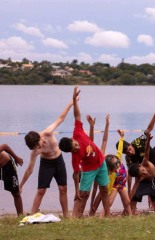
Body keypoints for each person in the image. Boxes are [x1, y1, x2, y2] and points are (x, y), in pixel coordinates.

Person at [59, 86, 110, 218]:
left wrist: (74, 100)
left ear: (72, 139)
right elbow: (76, 175)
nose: (76, 149)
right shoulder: (75, 156)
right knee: (83, 195)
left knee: (104, 189)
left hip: (101, 162)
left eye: (75, 146)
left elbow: (77, 115)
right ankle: (77, 217)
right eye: (73, 150)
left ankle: (108, 216)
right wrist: (76, 191)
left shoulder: (77, 132)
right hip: (89, 170)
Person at [20, 100, 75, 218]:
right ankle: (32, 214)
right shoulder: (35, 151)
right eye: (34, 147)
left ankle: (66, 215)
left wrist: (71, 103)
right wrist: (21, 185)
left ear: (39, 138)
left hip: (58, 160)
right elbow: (29, 170)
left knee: (63, 188)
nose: (37, 148)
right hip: (46, 164)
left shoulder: (48, 132)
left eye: (37, 145)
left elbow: (61, 118)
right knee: (41, 190)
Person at [120, 99, 155, 211]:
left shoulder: (137, 141)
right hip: (141, 171)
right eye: (127, 152)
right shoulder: (128, 158)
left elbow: (149, 129)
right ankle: (131, 208)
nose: (130, 152)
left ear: (131, 145)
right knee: (136, 192)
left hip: (152, 165)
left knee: (154, 192)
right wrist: (129, 191)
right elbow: (130, 174)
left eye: (130, 149)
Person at [90, 115, 131, 216]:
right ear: (110, 169)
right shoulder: (106, 171)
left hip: (122, 183)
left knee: (127, 202)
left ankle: (130, 216)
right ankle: (99, 216)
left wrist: (121, 137)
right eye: (115, 166)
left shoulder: (118, 158)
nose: (118, 165)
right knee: (108, 202)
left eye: (117, 163)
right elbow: (99, 187)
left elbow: (117, 147)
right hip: (114, 185)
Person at [0, 144, 24, 216]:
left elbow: (4, 146)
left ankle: (20, 216)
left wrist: (16, 158)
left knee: (16, 193)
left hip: (7, 165)